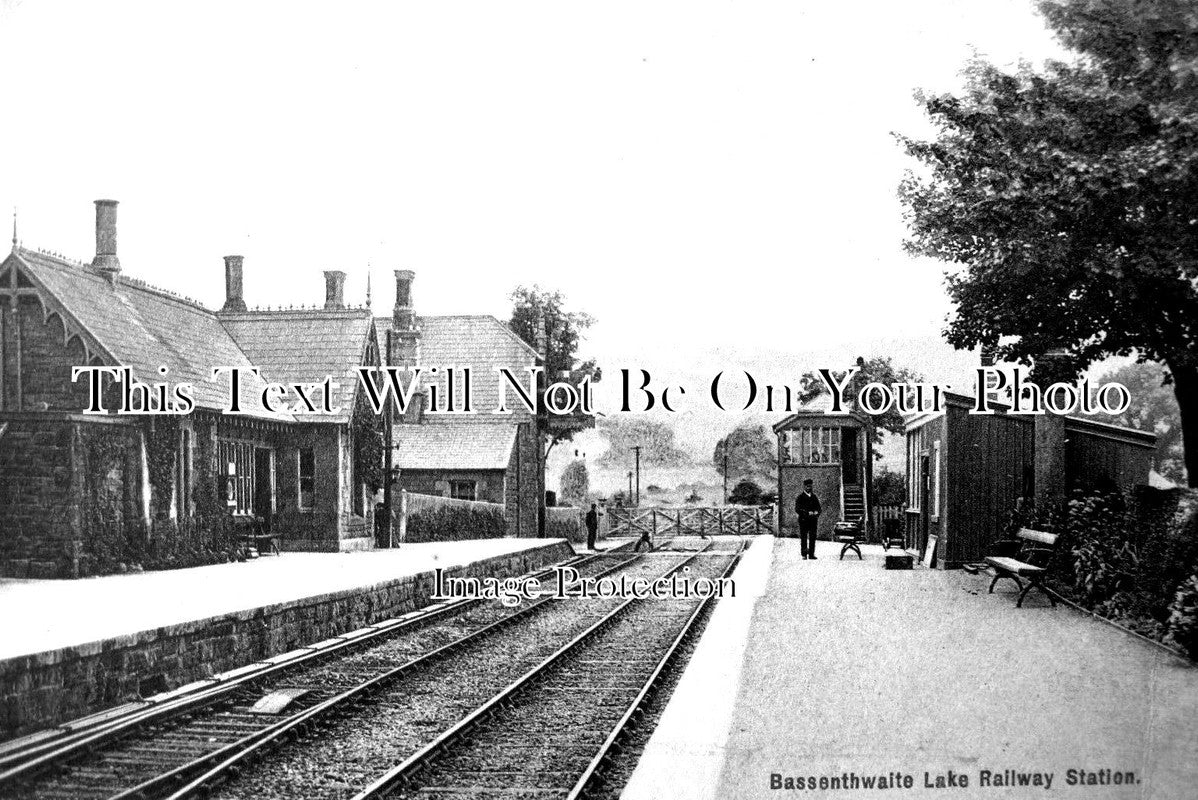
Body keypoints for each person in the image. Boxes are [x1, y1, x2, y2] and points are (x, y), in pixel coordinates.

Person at [795, 478, 821, 559]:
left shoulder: (814, 497)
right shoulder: (800, 497)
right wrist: (807, 513)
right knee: (804, 537)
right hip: (804, 521)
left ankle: (811, 554)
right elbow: (797, 509)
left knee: (813, 537)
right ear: (804, 487)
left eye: (810, 486)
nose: (809, 488)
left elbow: (819, 508)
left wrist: (817, 512)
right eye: (807, 486)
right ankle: (804, 554)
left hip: (813, 520)